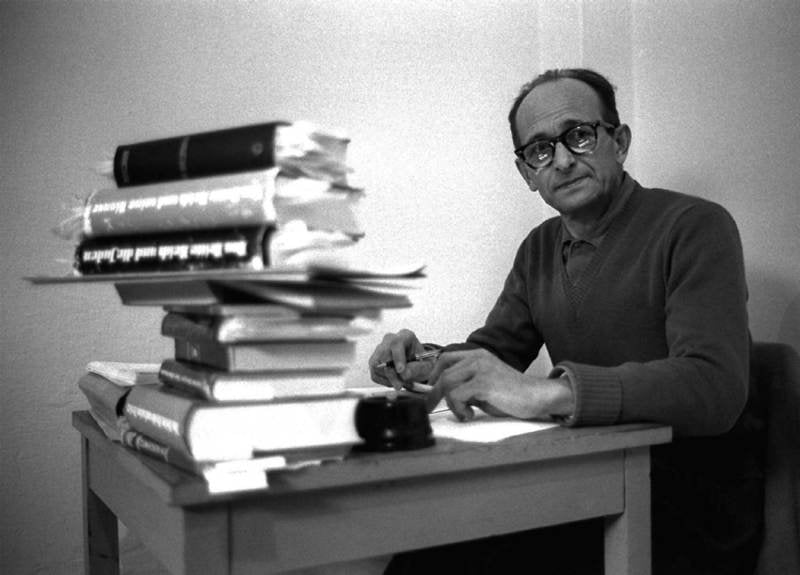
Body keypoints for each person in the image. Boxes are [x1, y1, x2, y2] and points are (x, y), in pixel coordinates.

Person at [368, 68, 764, 575]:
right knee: (425, 549)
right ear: (526, 173)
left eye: (578, 135)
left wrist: (548, 394)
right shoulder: (537, 248)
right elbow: (495, 354)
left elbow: (714, 386)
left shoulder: (695, 226)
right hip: (586, 481)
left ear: (618, 142)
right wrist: (424, 362)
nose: (560, 159)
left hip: (687, 501)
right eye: (539, 150)